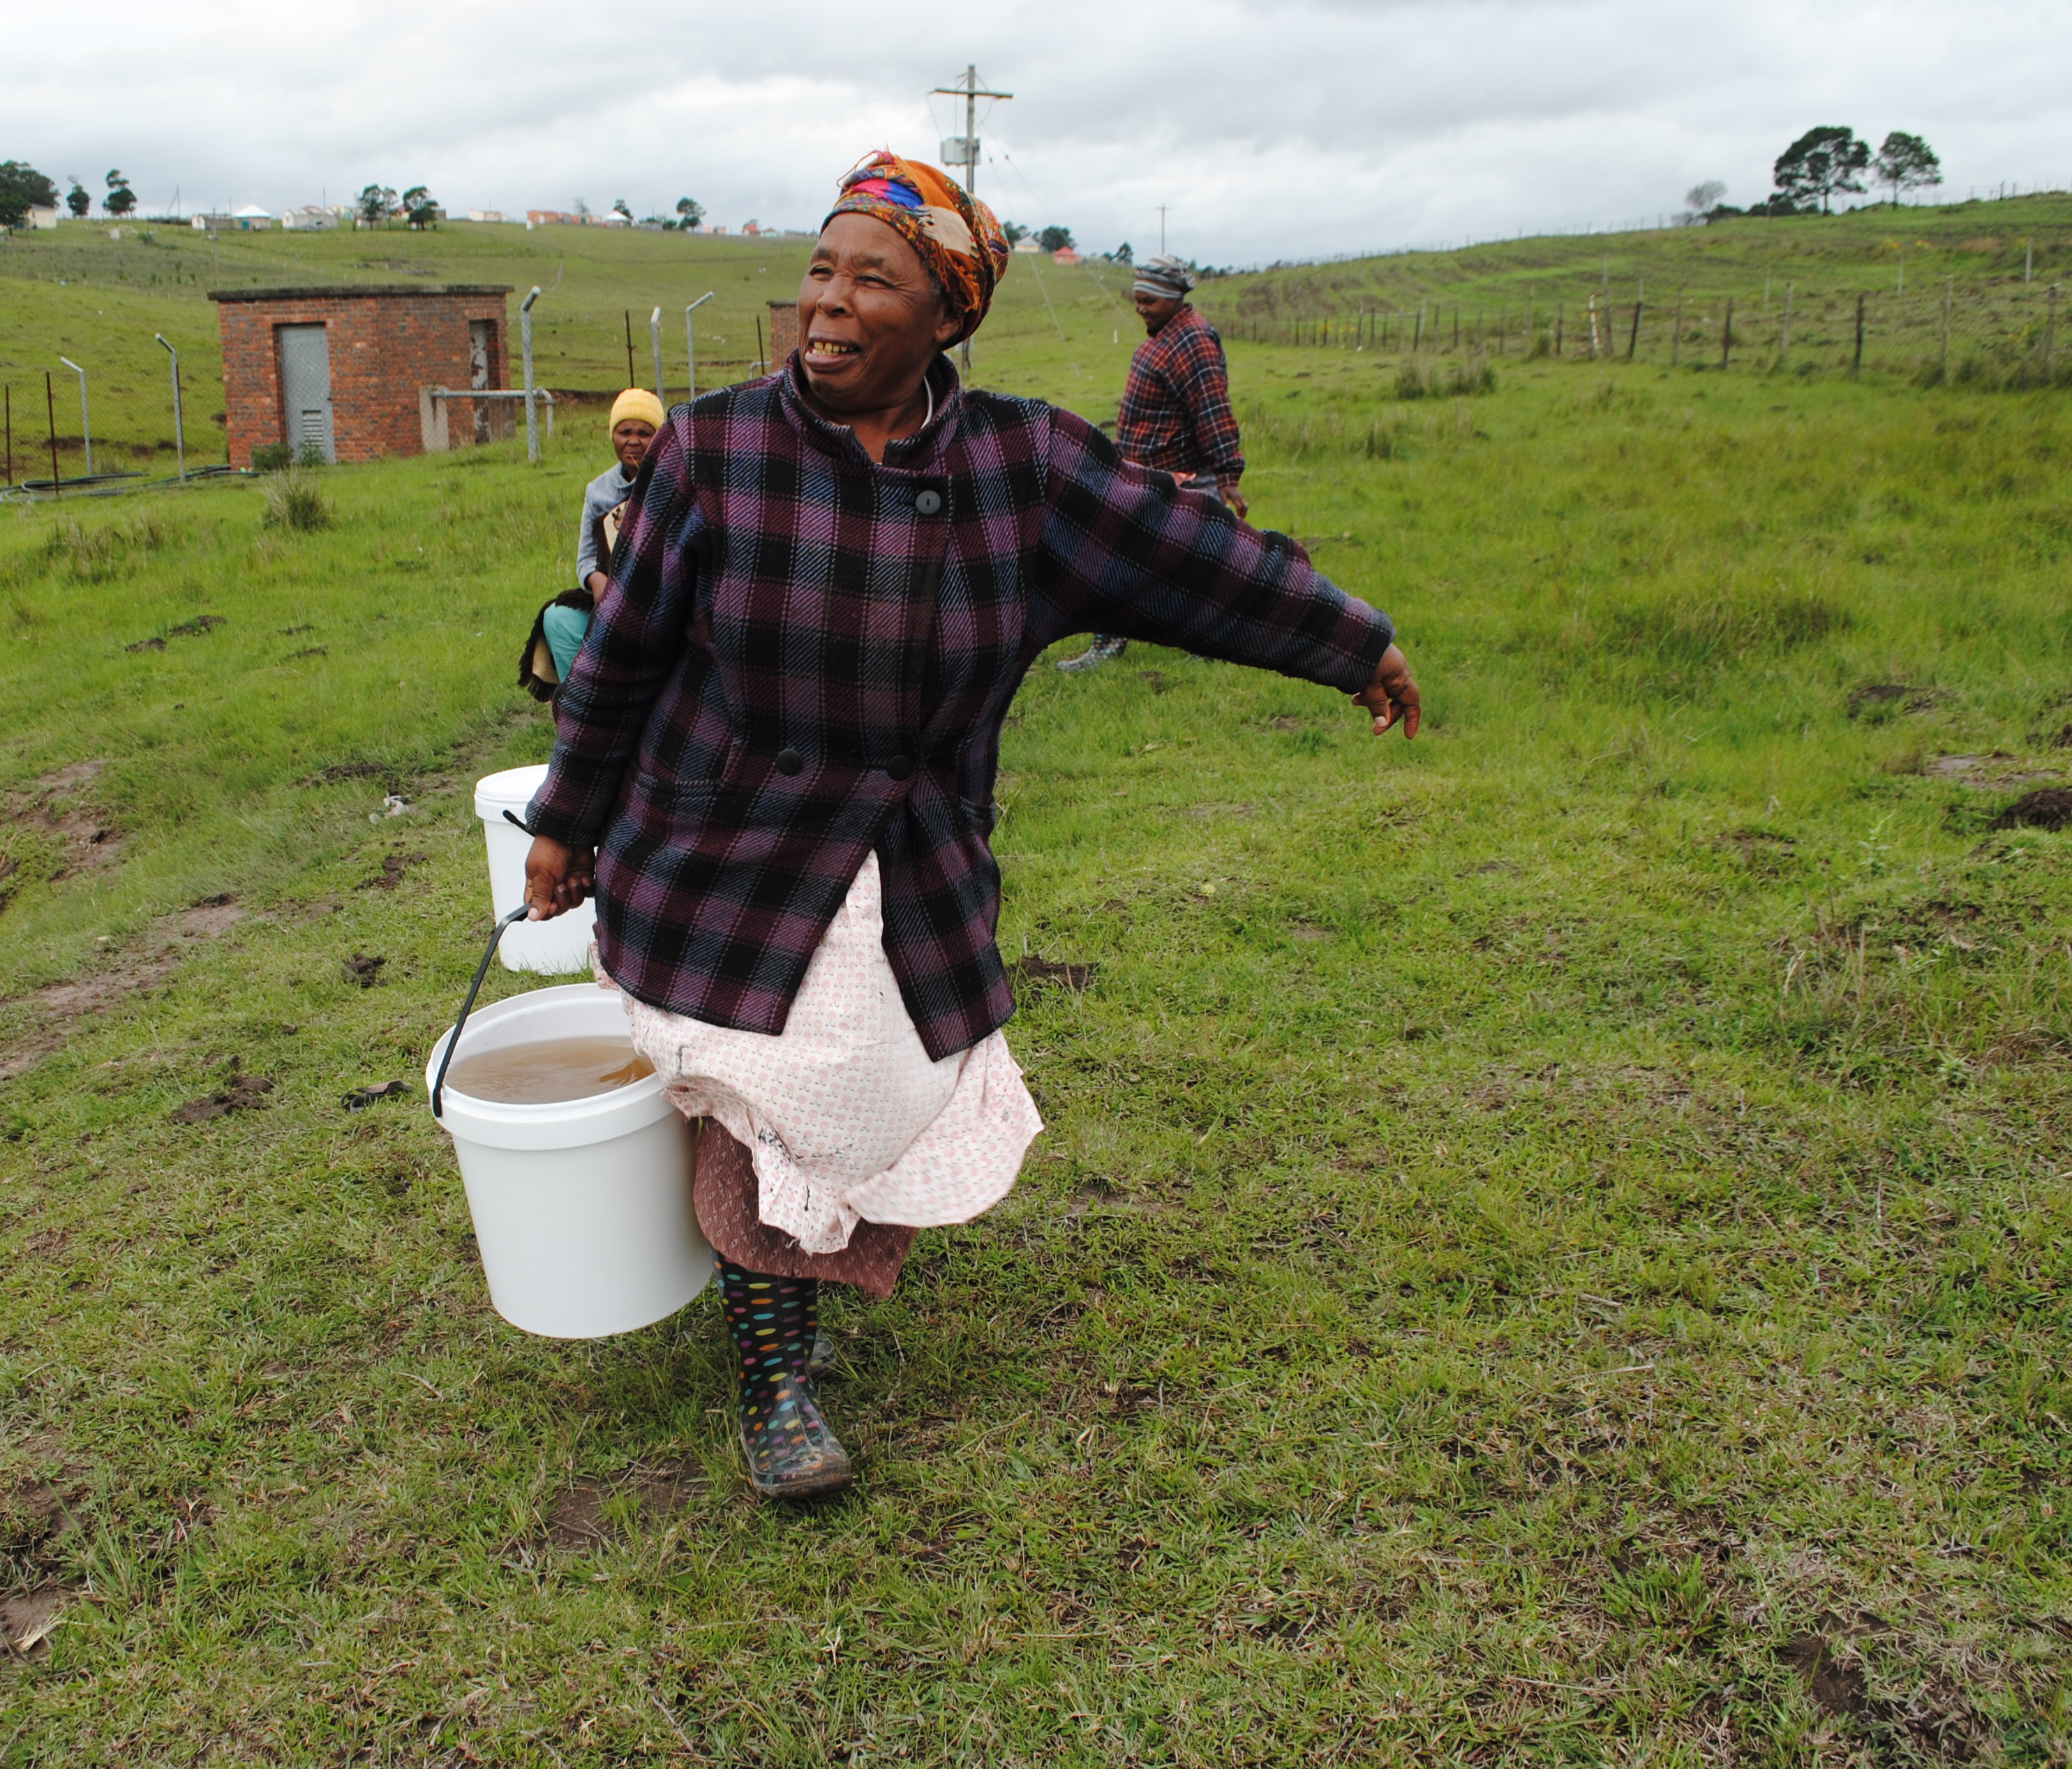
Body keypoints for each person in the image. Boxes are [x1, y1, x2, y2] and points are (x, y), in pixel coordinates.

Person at [520, 153, 1419, 1500]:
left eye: (872, 280)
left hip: (903, 854)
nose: (828, 300)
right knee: (769, 1104)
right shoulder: (716, 452)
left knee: (850, 1094)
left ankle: (789, 1297)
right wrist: (565, 817)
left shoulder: (1022, 468)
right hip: (728, 851)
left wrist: (1351, 642)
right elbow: (624, 654)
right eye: (819, 269)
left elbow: (1193, 558)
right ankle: (774, 1379)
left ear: (948, 313)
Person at [1059, 254, 1249, 673]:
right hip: (1148, 472)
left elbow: (1213, 410)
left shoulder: (1191, 341)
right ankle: (1132, 639)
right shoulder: (1169, 336)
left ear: (1174, 298)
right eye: (1137, 299)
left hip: (1178, 476)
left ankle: (1183, 640)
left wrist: (1228, 473)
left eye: (1150, 301)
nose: (1141, 308)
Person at [542, 389, 665, 682]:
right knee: (557, 618)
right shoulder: (598, 491)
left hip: (662, 605)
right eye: (625, 432)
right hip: (610, 603)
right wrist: (598, 582)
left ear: (660, 439)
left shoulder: (672, 483)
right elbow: (586, 558)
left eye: (644, 433)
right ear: (613, 437)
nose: (633, 441)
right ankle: (580, 699)